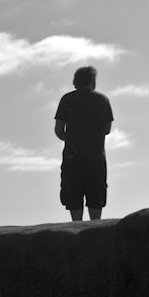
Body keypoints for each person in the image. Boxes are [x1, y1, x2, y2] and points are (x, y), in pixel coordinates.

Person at [54, 66, 114, 221]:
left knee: (73, 197)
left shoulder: (66, 99)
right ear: (92, 81)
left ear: (76, 81)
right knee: (96, 196)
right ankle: (95, 230)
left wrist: (73, 138)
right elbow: (107, 129)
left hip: (72, 157)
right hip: (96, 157)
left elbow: (59, 130)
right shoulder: (102, 100)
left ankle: (77, 232)